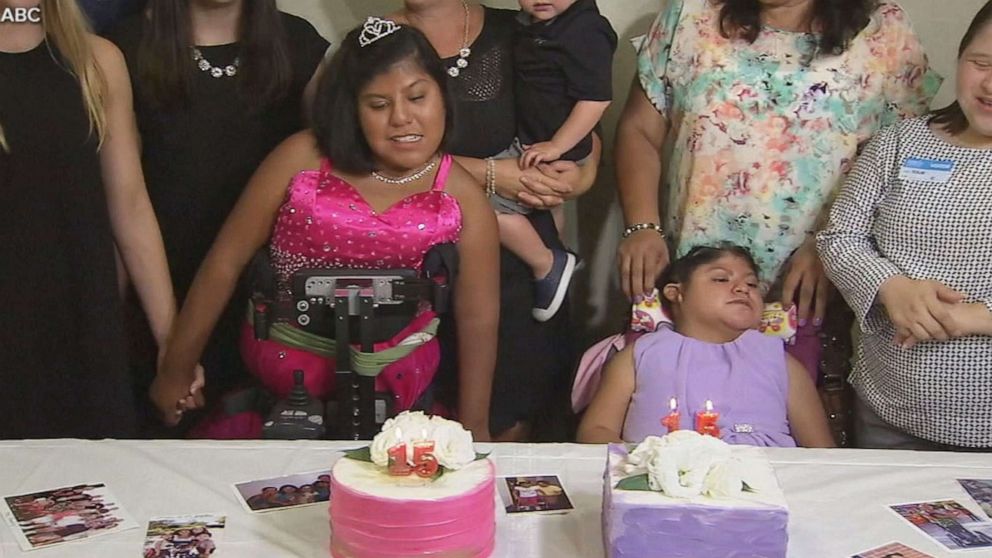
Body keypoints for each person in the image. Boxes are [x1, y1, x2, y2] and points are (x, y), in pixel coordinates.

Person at [149, 19, 499, 443]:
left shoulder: (462, 195)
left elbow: (479, 317)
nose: (402, 118)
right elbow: (225, 263)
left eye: (417, 97)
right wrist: (175, 370)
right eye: (378, 104)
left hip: (399, 396)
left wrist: (475, 425)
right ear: (351, 108)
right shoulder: (301, 158)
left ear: (443, 97)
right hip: (284, 382)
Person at [614, 0, 940, 381]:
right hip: (693, 280)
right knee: (679, 415)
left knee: (788, 421)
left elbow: (896, 158)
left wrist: (830, 244)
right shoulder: (690, 13)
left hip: (806, 289)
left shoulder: (884, 28)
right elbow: (639, 131)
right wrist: (642, 227)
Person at [105, 0, 330, 417]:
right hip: (159, 292)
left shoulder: (299, 45)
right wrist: (174, 344)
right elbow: (127, 199)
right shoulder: (125, 47)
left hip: (273, 306)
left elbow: (348, 157)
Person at [394, 0, 601, 441]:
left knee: (515, 420)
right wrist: (489, 174)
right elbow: (359, 153)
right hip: (414, 264)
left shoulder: (524, 28)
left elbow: (579, 121)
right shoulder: (373, 42)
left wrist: (577, 176)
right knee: (417, 434)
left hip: (523, 267)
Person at [817, 0, 992, 451]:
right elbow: (840, 236)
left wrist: (975, 318)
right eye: (981, 63)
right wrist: (890, 286)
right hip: (887, 410)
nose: (990, 84)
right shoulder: (900, 142)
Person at [0, 0, 177, 438]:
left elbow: (130, 205)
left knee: (91, 487)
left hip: (82, 325)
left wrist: (173, 341)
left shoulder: (97, 61)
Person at [577, 245, 835, 447]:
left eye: (752, 284)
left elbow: (821, 451)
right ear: (675, 292)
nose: (742, 289)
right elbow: (595, 431)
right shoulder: (640, 355)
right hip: (660, 486)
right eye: (721, 279)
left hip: (764, 489)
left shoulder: (781, 362)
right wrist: (640, 465)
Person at [484, 0, 616, 322]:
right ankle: (558, 253)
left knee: (480, 204)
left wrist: (558, 146)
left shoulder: (585, 28)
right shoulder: (526, 24)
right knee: (546, 206)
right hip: (537, 141)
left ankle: (547, 263)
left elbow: (596, 99)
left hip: (552, 147)